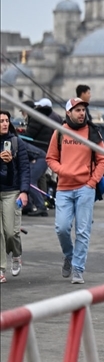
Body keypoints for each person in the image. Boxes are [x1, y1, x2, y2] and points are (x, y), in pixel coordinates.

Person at [46, 98, 104, 284]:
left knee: (82, 231)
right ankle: (69, 255)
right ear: (68, 113)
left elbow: (103, 160)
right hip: (64, 188)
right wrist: (64, 171)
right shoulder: (59, 132)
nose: (81, 113)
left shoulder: (93, 132)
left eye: (83, 110)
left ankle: (78, 269)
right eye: (77, 110)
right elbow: (50, 158)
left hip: (85, 189)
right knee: (62, 228)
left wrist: (92, 182)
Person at [1, 110, 30, 283]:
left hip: (11, 191)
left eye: (6, 120)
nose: (4, 123)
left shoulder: (16, 142)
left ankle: (16, 254)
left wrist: (24, 191)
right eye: (1, 121)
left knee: (11, 232)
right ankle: (0, 269)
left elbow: (25, 168)